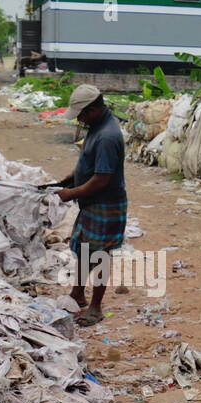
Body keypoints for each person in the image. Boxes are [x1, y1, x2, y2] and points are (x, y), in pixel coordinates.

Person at [56, 84, 127, 326]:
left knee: (99, 255)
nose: (80, 119)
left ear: (94, 109)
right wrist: (69, 178)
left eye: (82, 114)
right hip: (92, 203)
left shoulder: (107, 136)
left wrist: (71, 192)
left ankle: (96, 307)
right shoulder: (97, 128)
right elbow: (87, 162)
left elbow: (101, 179)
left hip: (104, 203)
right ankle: (78, 293)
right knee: (84, 249)